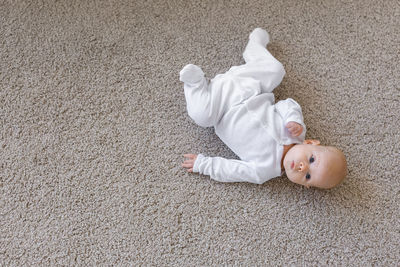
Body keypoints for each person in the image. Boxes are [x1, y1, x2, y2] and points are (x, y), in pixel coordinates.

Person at [180, 28, 347, 189]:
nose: (302, 167)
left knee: (201, 116)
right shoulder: (297, 130)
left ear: (304, 185)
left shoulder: (263, 171)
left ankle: (196, 84)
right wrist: (293, 119)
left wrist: (203, 164)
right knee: (276, 70)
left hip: (220, 109)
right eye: (311, 159)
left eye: (308, 176)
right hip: (251, 87)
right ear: (311, 143)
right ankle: (254, 46)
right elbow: (287, 104)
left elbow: (231, 170)